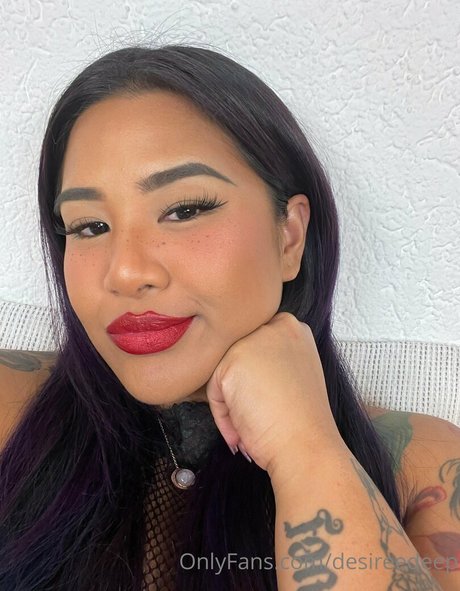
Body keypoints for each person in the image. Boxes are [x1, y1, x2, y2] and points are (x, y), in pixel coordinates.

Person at [0, 43, 458, 591]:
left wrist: (305, 446)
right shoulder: (10, 405)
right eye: (89, 227)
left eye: (185, 210)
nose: (125, 273)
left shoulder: (424, 465)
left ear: (289, 236)